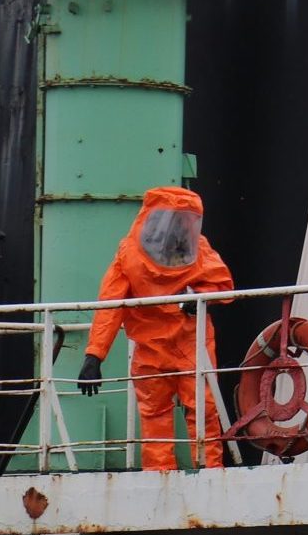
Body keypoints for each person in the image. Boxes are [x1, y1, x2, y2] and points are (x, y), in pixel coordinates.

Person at [76, 186, 234, 471]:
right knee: (160, 415)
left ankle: (209, 472)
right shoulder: (130, 255)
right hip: (159, 348)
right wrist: (94, 355)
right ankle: (163, 476)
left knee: (202, 411)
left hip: (189, 342)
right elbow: (111, 305)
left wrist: (195, 295)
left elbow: (222, 285)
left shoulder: (197, 249)